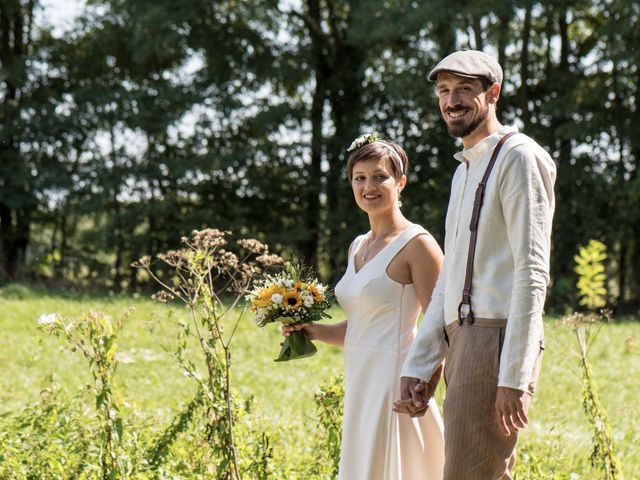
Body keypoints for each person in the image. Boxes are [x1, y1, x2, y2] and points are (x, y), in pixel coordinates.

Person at [393, 50, 556, 479]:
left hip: (496, 336)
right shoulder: (464, 169)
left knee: (471, 473)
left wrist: (514, 376)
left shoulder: (518, 157)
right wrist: (422, 363)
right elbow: (451, 276)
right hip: (463, 338)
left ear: (493, 93)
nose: (452, 100)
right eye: (444, 91)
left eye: (465, 89)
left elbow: (533, 272)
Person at [283, 134, 445, 480]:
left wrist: (425, 382)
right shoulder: (358, 245)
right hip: (361, 379)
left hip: (396, 381)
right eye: (360, 178)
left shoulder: (418, 244)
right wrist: (312, 331)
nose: (368, 186)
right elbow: (363, 325)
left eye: (379, 176)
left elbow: (441, 326)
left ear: (400, 183)